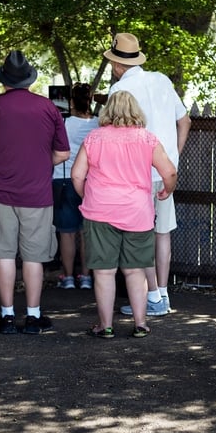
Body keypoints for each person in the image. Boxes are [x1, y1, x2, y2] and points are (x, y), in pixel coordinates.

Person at [0, 50, 70, 335]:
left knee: (4, 254)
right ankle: (34, 317)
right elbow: (62, 153)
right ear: (29, 80)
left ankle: (8, 316)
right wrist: (39, 162)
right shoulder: (48, 108)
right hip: (38, 194)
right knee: (34, 257)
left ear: (4, 80)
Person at [71, 91, 177, 338]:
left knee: (104, 272)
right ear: (135, 110)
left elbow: (77, 174)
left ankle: (105, 326)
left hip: (100, 212)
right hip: (137, 212)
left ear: (108, 110)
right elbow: (169, 172)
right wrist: (166, 191)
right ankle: (140, 324)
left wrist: (87, 195)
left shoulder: (94, 138)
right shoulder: (148, 139)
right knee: (136, 270)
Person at [103, 33, 191, 316]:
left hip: (135, 174)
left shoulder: (119, 92)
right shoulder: (162, 80)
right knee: (161, 233)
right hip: (166, 171)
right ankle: (162, 295)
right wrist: (172, 156)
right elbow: (185, 120)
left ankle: (152, 297)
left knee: (140, 236)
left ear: (117, 65)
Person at [53, 83, 99, 290]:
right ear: (90, 100)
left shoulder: (62, 122)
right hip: (91, 181)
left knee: (67, 232)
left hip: (63, 180)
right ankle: (87, 277)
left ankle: (69, 277)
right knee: (87, 231)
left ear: (71, 101)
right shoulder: (98, 124)